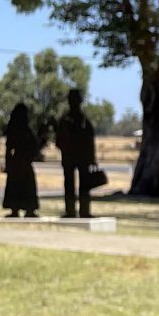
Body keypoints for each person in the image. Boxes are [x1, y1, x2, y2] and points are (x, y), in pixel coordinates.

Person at [54, 87, 98, 219]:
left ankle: (78, 211)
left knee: (80, 184)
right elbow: (59, 141)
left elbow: (90, 141)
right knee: (72, 184)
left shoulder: (80, 121)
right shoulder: (73, 121)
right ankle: (73, 211)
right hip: (74, 157)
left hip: (77, 157)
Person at [2, 102, 40, 218]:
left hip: (17, 161)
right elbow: (34, 146)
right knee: (26, 185)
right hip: (24, 161)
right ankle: (28, 209)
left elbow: (9, 148)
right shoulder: (25, 130)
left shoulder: (13, 129)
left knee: (15, 185)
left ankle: (16, 208)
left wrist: (8, 163)